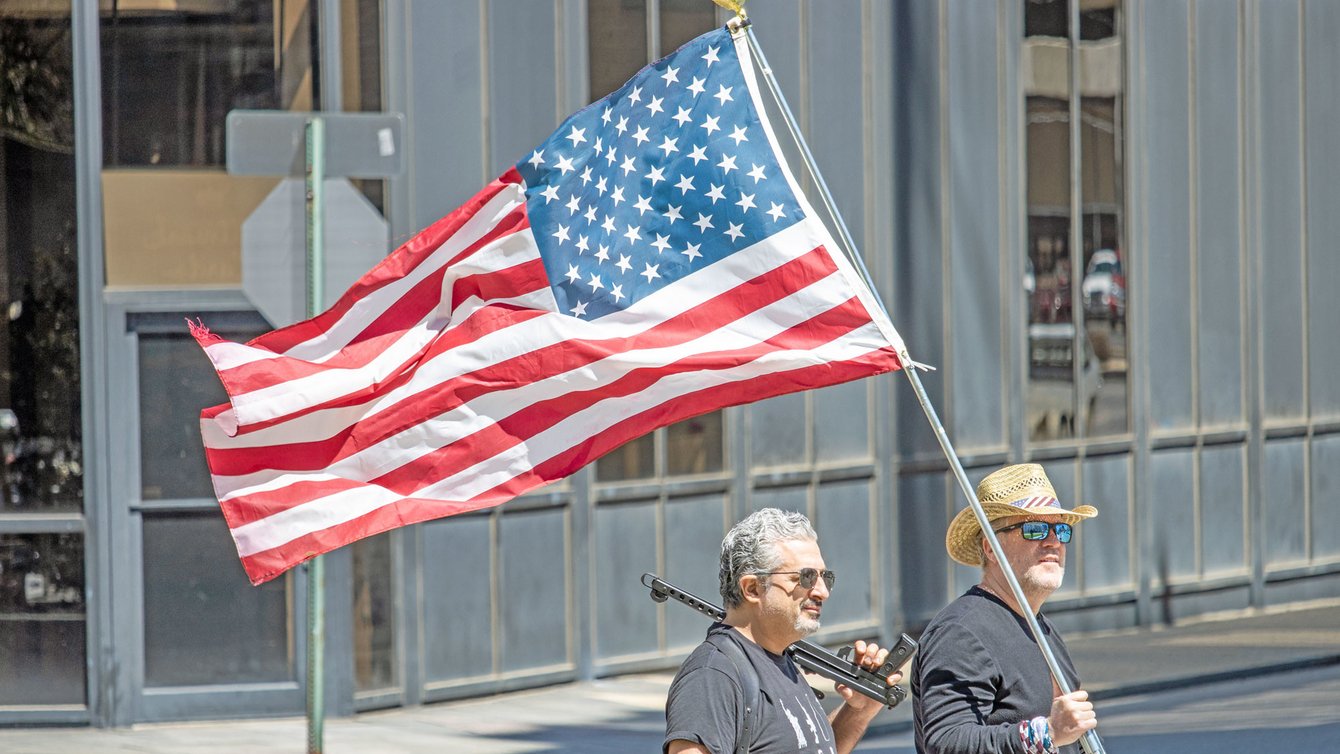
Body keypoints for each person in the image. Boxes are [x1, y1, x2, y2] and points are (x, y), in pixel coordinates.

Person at [664, 508, 900, 754]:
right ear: (753, 588)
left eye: (825, 577)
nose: (822, 592)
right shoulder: (712, 675)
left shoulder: (782, 661)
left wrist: (859, 710)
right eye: (806, 578)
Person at [912, 463, 1100, 754]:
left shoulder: (1041, 627)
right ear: (990, 549)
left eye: (1061, 530)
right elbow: (947, 741)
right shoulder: (960, 633)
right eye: (1034, 529)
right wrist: (1047, 732)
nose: (1053, 541)